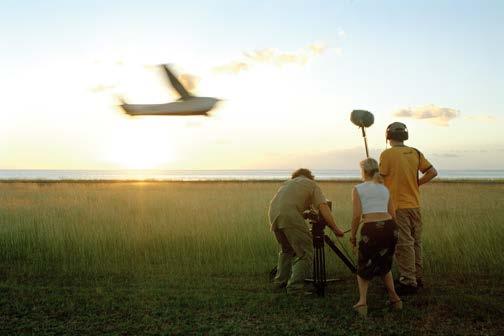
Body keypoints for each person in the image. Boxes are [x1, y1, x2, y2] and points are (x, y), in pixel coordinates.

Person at [380, 122, 438, 295]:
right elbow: (432, 172)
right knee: (416, 242)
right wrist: (416, 183)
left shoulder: (387, 154)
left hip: (398, 206)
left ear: (388, 136)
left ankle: (408, 282)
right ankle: (417, 277)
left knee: (404, 244)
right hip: (415, 205)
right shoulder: (415, 152)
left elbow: (380, 179)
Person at [268, 168, 345, 294]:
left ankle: (280, 282)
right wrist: (335, 229)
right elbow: (323, 207)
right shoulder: (311, 184)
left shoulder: (287, 184)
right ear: (310, 177)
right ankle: (295, 287)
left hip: (273, 215)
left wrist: (303, 215)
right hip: (289, 216)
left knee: (286, 249)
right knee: (305, 252)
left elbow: (287, 205)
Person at [350, 158, 402, 317]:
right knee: (384, 263)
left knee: (363, 265)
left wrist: (352, 235)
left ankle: (362, 302)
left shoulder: (357, 188)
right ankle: (395, 299)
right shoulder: (384, 189)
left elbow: (357, 216)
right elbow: (393, 214)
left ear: (364, 172)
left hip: (371, 229)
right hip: (390, 228)